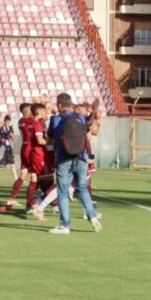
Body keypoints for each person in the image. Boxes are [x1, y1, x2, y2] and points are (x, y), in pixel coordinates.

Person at [47, 93, 101, 234]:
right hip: (81, 157)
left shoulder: (55, 119)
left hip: (64, 159)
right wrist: (94, 110)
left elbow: (50, 139)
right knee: (82, 188)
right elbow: (88, 127)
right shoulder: (80, 118)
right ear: (71, 105)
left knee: (63, 192)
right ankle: (92, 216)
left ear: (59, 106)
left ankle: (64, 225)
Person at [5, 103, 34, 208]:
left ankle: (11, 198)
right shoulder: (31, 120)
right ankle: (31, 203)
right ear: (27, 111)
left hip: (24, 148)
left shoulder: (20, 121)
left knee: (23, 175)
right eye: (31, 109)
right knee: (35, 176)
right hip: (31, 149)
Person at [0, 114, 17, 185]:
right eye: (6, 122)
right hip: (1, 148)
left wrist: (11, 136)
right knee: (1, 165)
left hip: (8, 148)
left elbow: (12, 139)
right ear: (4, 121)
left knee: (12, 163)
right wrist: (3, 139)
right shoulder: (0, 128)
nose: (7, 123)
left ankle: (16, 179)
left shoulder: (10, 128)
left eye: (9, 122)